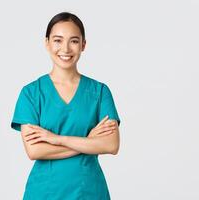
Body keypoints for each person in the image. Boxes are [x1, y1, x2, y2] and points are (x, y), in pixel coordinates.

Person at [10, 11, 121, 200]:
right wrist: (88, 141)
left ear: (83, 45)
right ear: (47, 43)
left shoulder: (99, 92)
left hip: (89, 191)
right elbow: (35, 150)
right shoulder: (31, 93)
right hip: (44, 192)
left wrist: (56, 139)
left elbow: (111, 145)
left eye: (74, 41)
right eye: (58, 40)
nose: (66, 48)